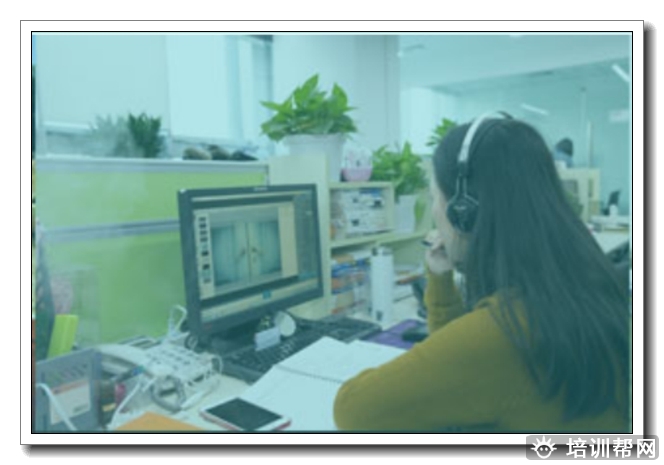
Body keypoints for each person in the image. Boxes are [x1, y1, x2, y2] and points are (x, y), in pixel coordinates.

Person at [333, 114, 630, 432]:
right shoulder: (584, 283)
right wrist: (441, 278)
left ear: (464, 212)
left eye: (434, 197)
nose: (434, 211)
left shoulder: (507, 333)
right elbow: (461, 366)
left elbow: (353, 410)